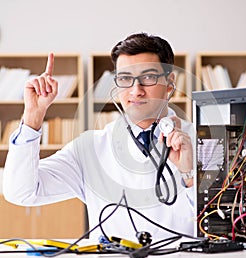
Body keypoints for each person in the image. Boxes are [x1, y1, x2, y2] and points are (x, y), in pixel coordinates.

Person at [3, 33, 196, 242]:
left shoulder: (203, 142)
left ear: (169, 83)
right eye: (125, 78)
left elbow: (218, 225)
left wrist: (189, 175)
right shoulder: (90, 147)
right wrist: (33, 117)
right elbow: (21, 193)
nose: (135, 90)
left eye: (148, 77)